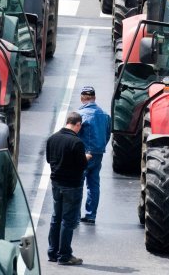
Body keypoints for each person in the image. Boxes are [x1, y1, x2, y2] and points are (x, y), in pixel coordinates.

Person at [47, 111, 89, 266]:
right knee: (68, 220)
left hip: (56, 184)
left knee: (56, 218)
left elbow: (49, 159)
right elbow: (82, 165)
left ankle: (52, 252)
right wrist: (86, 157)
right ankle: (64, 255)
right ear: (77, 124)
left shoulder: (52, 139)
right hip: (72, 185)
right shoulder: (76, 143)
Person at [77, 86, 111, 225]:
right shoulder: (105, 115)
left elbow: (75, 135)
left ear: (82, 98)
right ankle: (91, 215)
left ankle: (75, 214)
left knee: (78, 184)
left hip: (84, 154)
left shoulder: (80, 115)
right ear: (94, 98)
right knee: (94, 185)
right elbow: (108, 135)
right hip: (98, 153)